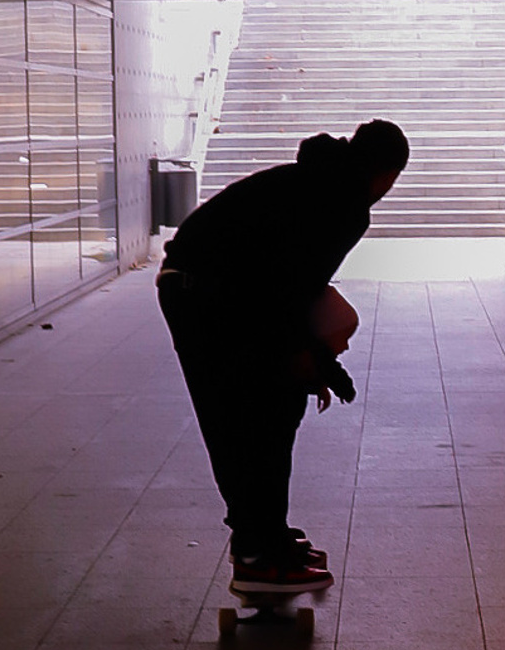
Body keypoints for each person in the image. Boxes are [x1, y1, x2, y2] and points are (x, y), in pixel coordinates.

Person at [156, 117, 409, 594]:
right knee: (249, 416)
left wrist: (311, 360)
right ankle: (256, 553)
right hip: (205, 294)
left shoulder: (320, 179)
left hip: (214, 287)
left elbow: (289, 283)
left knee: (269, 407)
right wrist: (311, 359)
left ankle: (265, 536)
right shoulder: (346, 202)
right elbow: (288, 290)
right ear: (387, 175)